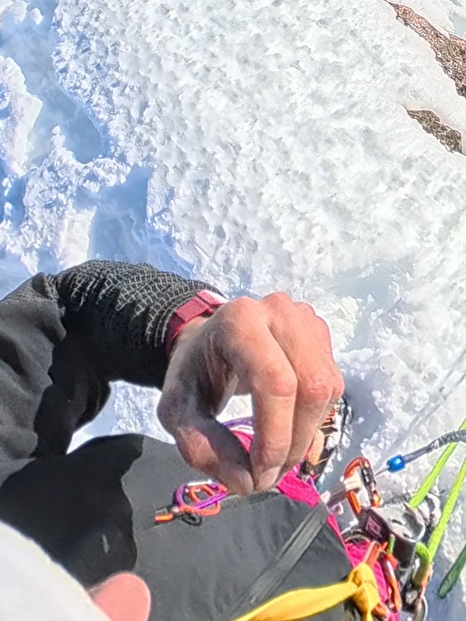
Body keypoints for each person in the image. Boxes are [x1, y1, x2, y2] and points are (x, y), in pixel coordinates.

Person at [0, 259, 387, 621]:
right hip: (328, 601)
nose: (125, 597)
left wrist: (186, 328)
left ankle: (280, 472)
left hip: (183, 494)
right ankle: (368, 580)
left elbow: (61, 312)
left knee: (254, 464)